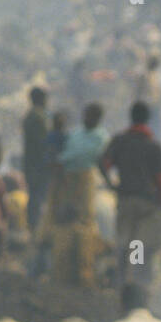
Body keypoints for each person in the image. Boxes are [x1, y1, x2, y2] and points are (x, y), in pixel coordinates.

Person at [100, 101, 161, 284]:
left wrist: (111, 185)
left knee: (124, 242)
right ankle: (136, 282)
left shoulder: (120, 141)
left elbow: (104, 163)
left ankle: (122, 279)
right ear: (147, 119)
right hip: (145, 203)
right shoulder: (153, 146)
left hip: (125, 198)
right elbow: (160, 179)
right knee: (138, 245)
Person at [43, 102, 108, 287]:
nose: (86, 119)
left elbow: (90, 155)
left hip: (85, 177)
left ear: (97, 118)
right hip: (67, 178)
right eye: (85, 115)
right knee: (63, 221)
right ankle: (60, 273)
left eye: (91, 116)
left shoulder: (100, 137)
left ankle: (85, 273)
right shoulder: (76, 134)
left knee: (85, 223)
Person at [22, 85, 50, 232]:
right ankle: (35, 229)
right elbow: (42, 144)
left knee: (34, 197)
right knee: (38, 198)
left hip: (31, 165)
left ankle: (33, 227)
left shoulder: (30, 115)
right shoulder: (38, 117)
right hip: (38, 166)